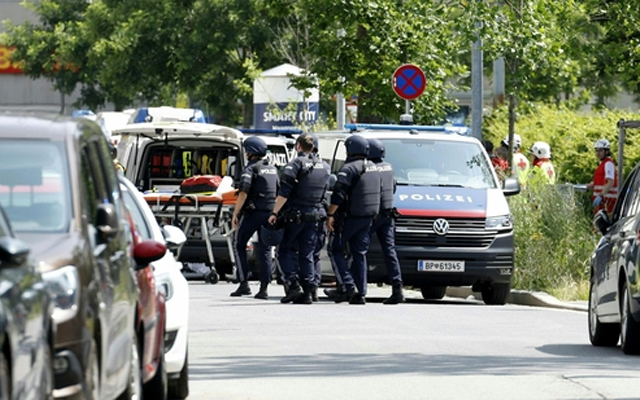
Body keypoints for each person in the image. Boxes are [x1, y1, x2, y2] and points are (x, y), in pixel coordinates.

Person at [267, 134, 330, 304]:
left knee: (284, 250)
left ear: (298, 146)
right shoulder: (325, 166)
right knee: (307, 253)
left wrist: (274, 213)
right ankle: (309, 292)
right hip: (315, 215)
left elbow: (284, 192)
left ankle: (293, 284)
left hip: (296, 215)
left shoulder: (295, 164)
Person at [326, 135, 382, 305]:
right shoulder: (373, 167)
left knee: (334, 249)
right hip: (368, 218)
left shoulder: (349, 168)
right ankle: (361, 292)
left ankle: (348, 286)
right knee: (359, 254)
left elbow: (339, 194)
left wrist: (330, 215)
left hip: (349, 218)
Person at [230, 136, 279, 299]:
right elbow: (278, 190)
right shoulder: (272, 169)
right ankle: (264, 288)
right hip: (269, 214)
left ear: (250, 152)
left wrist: (236, 213)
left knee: (239, 244)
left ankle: (243, 283)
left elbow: (243, 192)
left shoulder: (250, 169)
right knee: (265, 250)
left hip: (253, 214)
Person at [366, 138, 405, 304]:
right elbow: (393, 187)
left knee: (358, 249)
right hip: (388, 215)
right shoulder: (389, 167)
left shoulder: (369, 168)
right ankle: (397, 288)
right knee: (390, 252)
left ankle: (353, 287)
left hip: (372, 215)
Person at [586, 139, 618, 215]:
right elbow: (597, 183)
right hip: (602, 203)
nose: (598, 153)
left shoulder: (608, 164)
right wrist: (583, 186)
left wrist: (600, 195)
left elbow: (610, 182)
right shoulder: (602, 164)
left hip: (608, 203)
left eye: (600, 150)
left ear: (606, 151)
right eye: (596, 150)